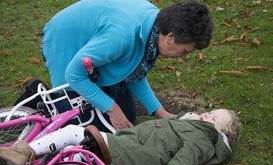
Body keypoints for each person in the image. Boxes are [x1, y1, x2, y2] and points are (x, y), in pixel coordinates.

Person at [40, 0, 213, 131]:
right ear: (171, 37)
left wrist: (158, 110)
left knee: (128, 114)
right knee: (85, 125)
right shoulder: (122, 36)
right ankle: (39, 104)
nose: (183, 57)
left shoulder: (155, 26)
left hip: (96, 47)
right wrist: (112, 110)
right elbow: (74, 74)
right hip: (64, 44)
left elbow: (134, 69)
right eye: (185, 51)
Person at [0, 108, 241, 165]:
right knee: (70, 155)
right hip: (123, 146)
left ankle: (21, 152)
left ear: (223, 133)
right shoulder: (192, 126)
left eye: (215, 117)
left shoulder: (202, 140)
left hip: (123, 155)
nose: (208, 114)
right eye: (211, 111)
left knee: (74, 132)